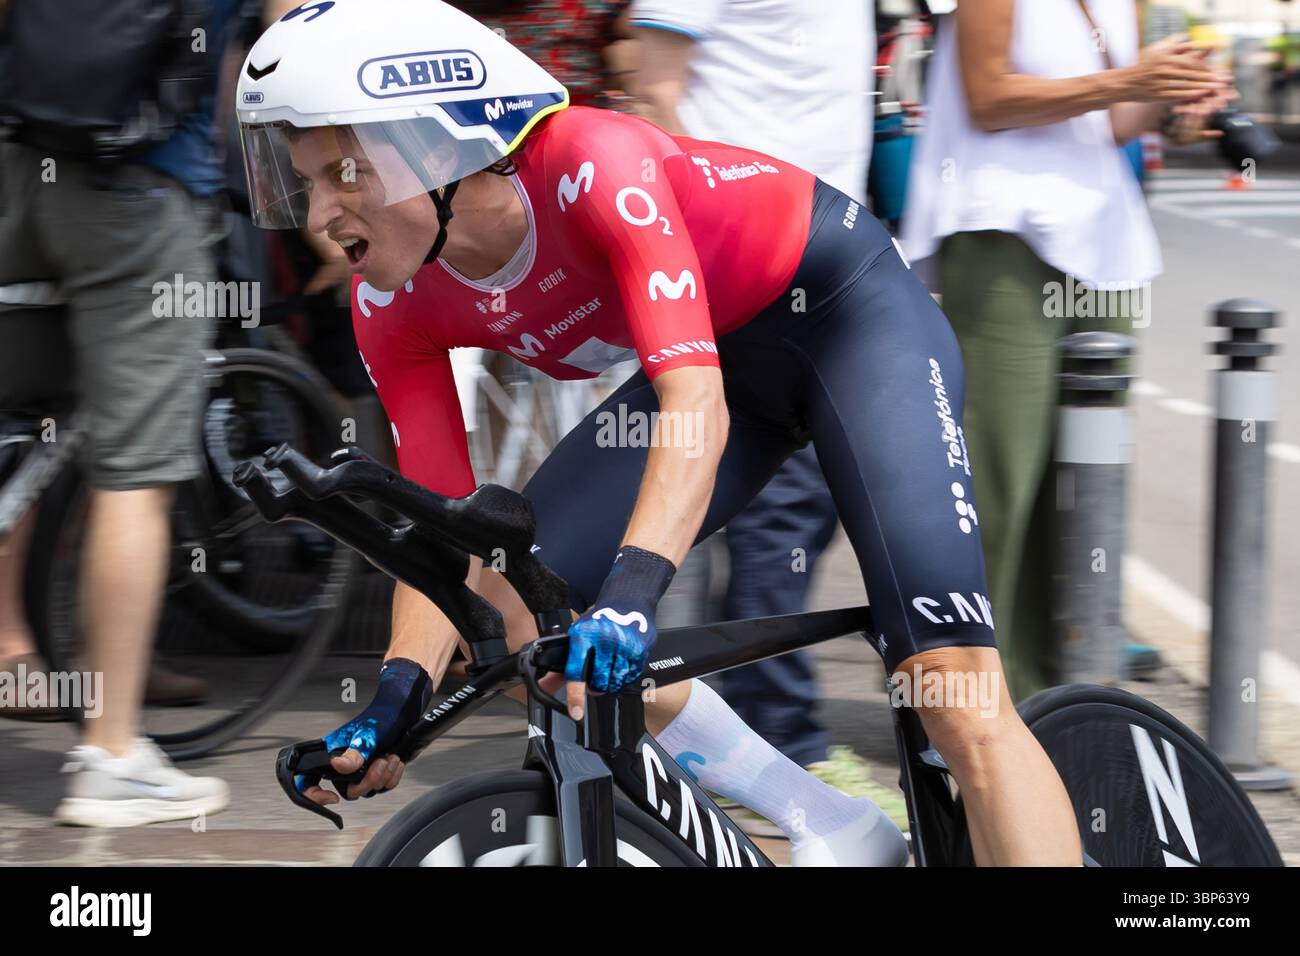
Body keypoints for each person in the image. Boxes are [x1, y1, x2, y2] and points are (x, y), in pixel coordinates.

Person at [238, 0, 1080, 865]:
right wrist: (395, 695)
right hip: (727, 378)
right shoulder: (389, 300)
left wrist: (634, 598)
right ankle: (825, 820)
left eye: (344, 173)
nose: (318, 216)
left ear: (438, 143)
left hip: (848, 327)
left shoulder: (596, 166)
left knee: (953, 692)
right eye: (306, 183)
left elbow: (692, 405)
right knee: (531, 631)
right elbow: (446, 536)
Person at [900, 0, 1231, 701]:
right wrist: (1131, 79)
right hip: (1005, 241)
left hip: (1104, 246)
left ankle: (1059, 698)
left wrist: (1171, 100)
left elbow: (1112, 125)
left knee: (1082, 491)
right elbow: (990, 98)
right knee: (996, 484)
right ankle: (964, 700)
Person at [626, 0, 884, 819]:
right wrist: (696, 248)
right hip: (747, 264)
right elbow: (652, 76)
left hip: (826, 252)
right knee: (783, 509)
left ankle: (724, 734)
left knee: (781, 513)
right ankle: (782, 745)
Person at [0, 0, 242, 823]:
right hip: (137, 189)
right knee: (137, 472)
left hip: (19, 170)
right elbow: (289, 42)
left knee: (30, 409)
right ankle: (111, 757)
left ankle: (24, 646)